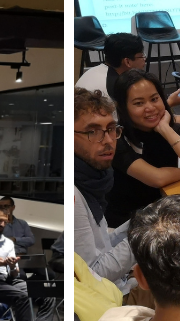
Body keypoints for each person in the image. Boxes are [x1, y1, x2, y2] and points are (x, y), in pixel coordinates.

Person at [106, 70, 180, 227]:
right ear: (123, 107)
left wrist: (166, 130)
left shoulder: (175, 130)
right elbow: (156, 178)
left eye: (155, 99)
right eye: (138, 103)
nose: (150, 108)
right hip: (126, 223)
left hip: (164, 216)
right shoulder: (116, 138)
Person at [73, 88, 144, 305]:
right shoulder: (74, 195)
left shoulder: (95, 178)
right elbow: (94, 274)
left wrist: (142, 222)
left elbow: (102, 246)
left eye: (111, 129)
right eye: (93, 131)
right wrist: (144, 235)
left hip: (119, 287)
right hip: (110, 303)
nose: (108, 140)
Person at [76, 33, 180, 118]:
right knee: (179, 121)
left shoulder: (92, 71)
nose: (145, 59)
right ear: (127, 62)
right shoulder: (117, 85)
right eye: (141, 56)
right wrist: (169, 104)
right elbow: (136, 120)